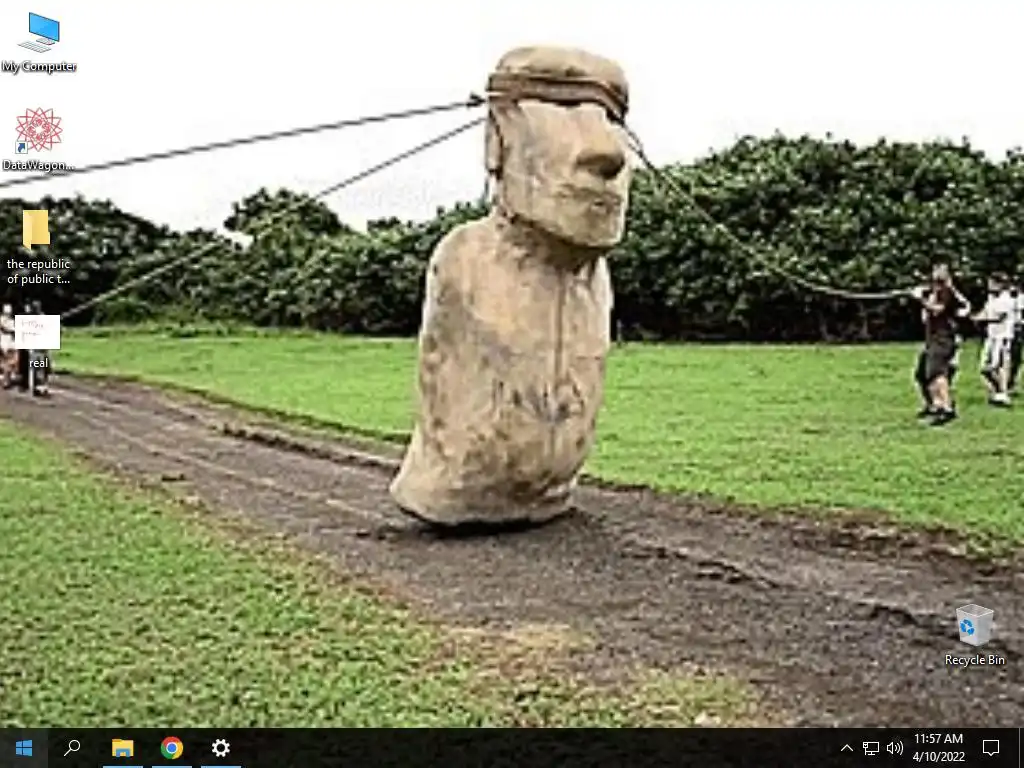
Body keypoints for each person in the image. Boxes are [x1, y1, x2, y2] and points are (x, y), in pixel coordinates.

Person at [909, 265, 970, 425]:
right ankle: (933, 405)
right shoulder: (934, 291)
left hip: (943, 338)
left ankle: (947, 408)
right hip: (931, 339)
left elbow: (937, 310)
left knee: (936, 373)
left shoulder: (947, 292)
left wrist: (920, 300)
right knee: (921, 374)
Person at [973, 273, 1015, 407]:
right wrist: (975, 316)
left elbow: (999, 317)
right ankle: (998, 392)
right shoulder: (991, 298)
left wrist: (981, 319)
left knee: (997, 366)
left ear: (1000, 284)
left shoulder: (1006, 299)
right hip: (991, 336)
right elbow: (985, 311)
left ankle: (1002, 393)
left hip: (1002, 336)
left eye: (992, 283)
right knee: (984, 367)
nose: (989, 286)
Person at [1009, 281, 1023, 395]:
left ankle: (1011, 382)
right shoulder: (1007, 298)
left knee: (1015, 357)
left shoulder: (1021, 299)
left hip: (1017, 329)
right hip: (1009, 329)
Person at [0, 303, 15, 389]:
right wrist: (14, 329)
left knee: (11, 362)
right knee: (6, 362)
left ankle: (7, 379)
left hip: (11, 343)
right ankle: (6, 381)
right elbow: (5, 328)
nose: (9, 313)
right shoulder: (2, 319)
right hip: (4, 343)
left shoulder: (11, 320)